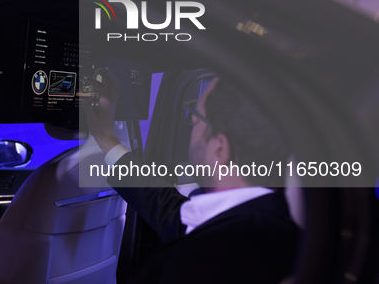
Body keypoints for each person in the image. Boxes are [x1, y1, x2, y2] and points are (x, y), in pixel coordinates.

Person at [83, 72, 300, 283]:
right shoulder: (271, 222)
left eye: (196, 116)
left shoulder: (204, 265)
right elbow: (169, 211)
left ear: (220, 148)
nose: (192, 123)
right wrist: (107, 139)